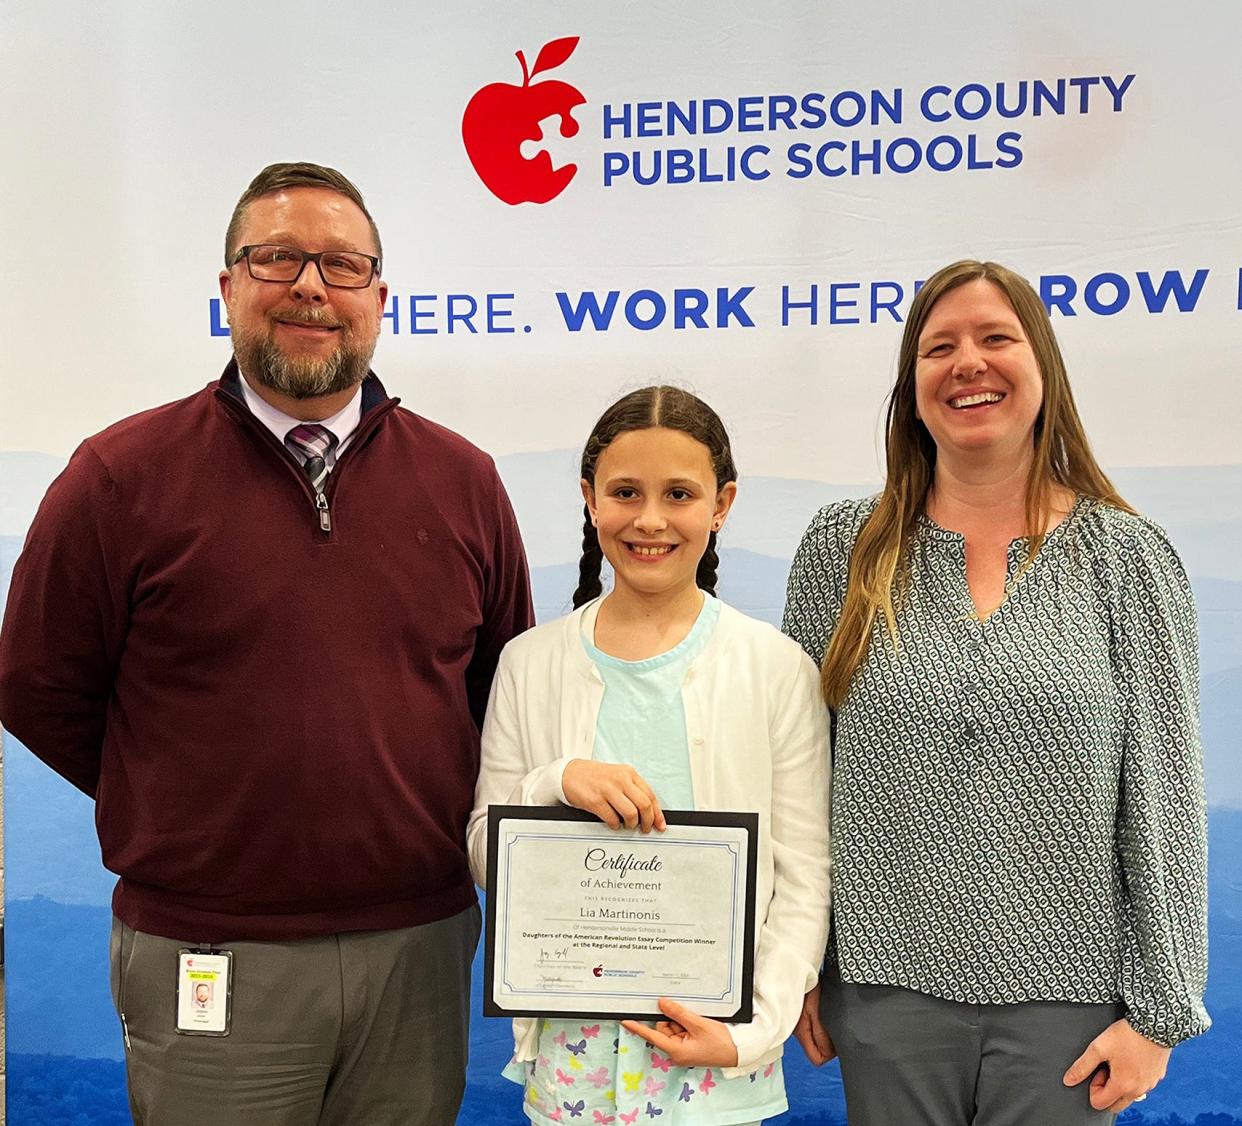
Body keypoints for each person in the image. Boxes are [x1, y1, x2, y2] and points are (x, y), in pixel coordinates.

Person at [0, 161, 534, 1125]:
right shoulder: (119, 478)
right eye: (275, 258)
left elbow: (503, 695)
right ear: (227, 289)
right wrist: (173, 792)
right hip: (208, 951)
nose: (309, 288)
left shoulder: (464, 482)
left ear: (379, 295)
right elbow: (35, 685)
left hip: (416, 947)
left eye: (340, 265)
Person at [782, 259, 1209, 1125]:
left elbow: (1165, 794)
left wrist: (1160, 1013)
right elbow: (794, 776)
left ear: (1044, 368)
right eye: (939, 347)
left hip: (1073, 1004)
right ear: (911, 388)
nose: (967, 363)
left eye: (996, 338)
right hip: (881, 990)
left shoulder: (1128, 558)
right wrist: (791, 962)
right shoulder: (844, 548)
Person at [467, 386, 830, 1126]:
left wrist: (753, 1033)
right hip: (573, 1063)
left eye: (680, 494)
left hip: (718, 1064)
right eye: (625, 492)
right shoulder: (529, 662)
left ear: (723, 504)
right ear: (589, 499)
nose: (651, 519)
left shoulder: (776, 668)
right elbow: (483, 850)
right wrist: (552, 782)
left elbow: (802, 876)